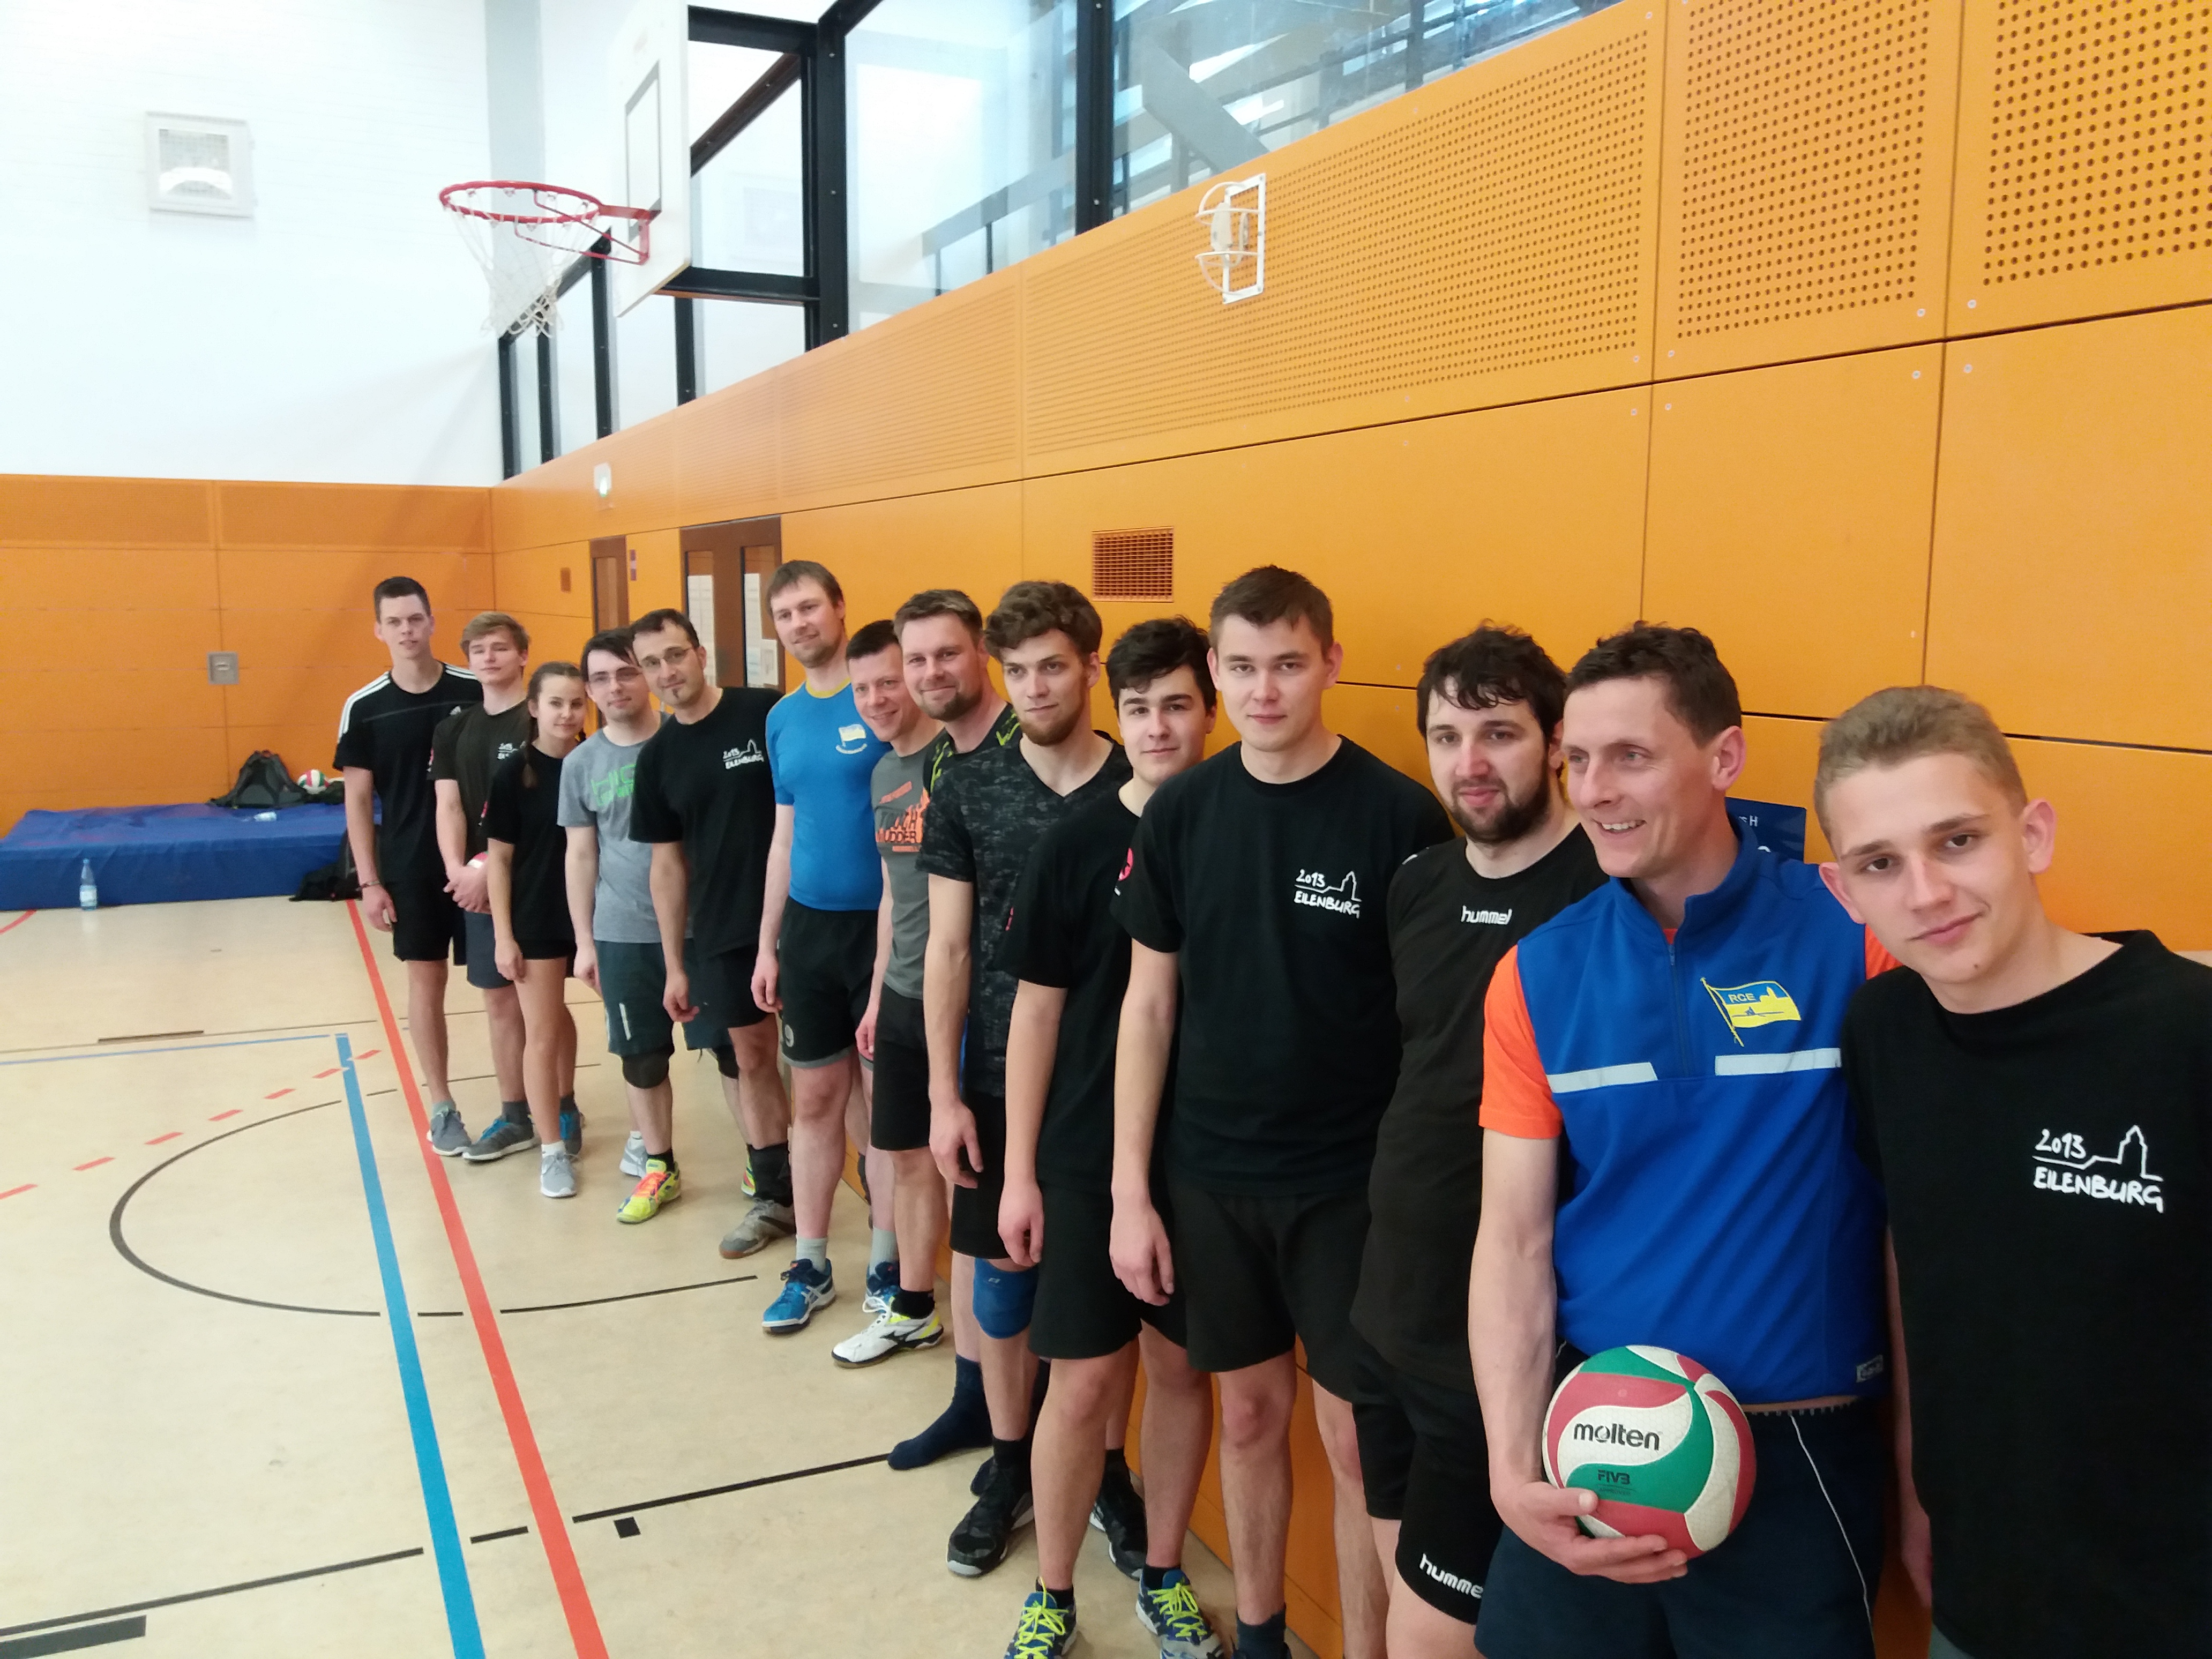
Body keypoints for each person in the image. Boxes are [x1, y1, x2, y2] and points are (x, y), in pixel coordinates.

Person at [1467, 623, 1893, 1659]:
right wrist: (1511, 1467)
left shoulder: (1856, 935)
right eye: (1576, 760)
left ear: (1723, 756)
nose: (1594, 790)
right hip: (1593, 1437)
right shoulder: (1535, 974)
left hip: (1800, 1449)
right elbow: (1512, 1241)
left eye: (1630, 756)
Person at [1817, 686, 2212, 1659]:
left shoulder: (2186, 1033)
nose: (1925, 893)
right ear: (1844, 892)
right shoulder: (1882, 1032)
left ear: (2031, 835)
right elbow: (1915, 1252)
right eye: (1880, 863)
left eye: (1957, 841)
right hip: (1979, 1595)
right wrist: (1916, 1480)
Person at [1112, 566, 1453, 1659]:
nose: (1265, 691)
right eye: (1244, 668)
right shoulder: (1182, 813)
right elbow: (1148, 1006)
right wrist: (1129, 1192)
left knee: (1357, 1444)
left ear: (1330, 665)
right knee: (1250, 1414)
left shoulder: (1399, 815)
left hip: (1351, 1189)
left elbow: (1427, 1020)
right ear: (1216, 672)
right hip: (1210, 1177)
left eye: (1289, 665)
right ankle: (1261, 1634)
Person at [1349, 626, 1605, 1658]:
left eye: (1497, 732)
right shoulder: (1417, 884)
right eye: (1446, 736)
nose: (1468, 762)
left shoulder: (1604, 898)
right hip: (1388, 1311)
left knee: (1432, 1636)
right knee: (1397, 1593)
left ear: (1553, 741)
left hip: (1495, 1345)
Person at [995, 618, 1225, 1659]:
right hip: (1087, 1159)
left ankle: (1163, 1573)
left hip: (1207, 1161)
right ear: (1116, 715)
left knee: (1179, 1374)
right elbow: (1034, 1014)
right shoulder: (1075, 844)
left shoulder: (1237, 833)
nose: (1159, 726)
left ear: (1209, 709)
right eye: (1139, 708)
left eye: (1177, 705)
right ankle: (1052, 1594)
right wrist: (1019, 1174)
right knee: (1083, 1383)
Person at [918, 579, 1133, 1578]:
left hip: (1120, 1087)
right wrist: (943, 1093)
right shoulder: (968, 788)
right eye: (1018, 671)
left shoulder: (1141, 784)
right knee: (1003, 1290)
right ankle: (1011, 1464)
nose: (1036, 686)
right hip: (1001, 1075)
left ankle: (1108, 1470)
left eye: (1053, 666)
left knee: (1113, 1294)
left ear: (1091, 667)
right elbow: (949, 948)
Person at [848, 589, 1020, 1469]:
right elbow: (903, 897)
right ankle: (966, 1390)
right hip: (919, 999)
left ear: (981, 651)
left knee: (985, 1220)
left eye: (942, 655)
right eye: (913, 661)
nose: (923, 676)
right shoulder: (921, 764)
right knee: (937, 1187)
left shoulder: (1018, 752)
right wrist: (883, 993)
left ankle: (1013, 1426)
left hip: (996, 1023)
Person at [751, 561, 894, 1335]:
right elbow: (785, 835)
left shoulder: (879, 698)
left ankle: (886, 1264)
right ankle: (811, 1264)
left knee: (880, 1108)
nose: (799, 624)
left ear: (840, 608)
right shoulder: (782, 718)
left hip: (883, 932)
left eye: (810, 607)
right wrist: (768, 945)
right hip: (808, 933)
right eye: (785, 614)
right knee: (813, 1102)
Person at [627, 607, 796, 1258]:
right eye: (652, 664)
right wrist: (676, 963)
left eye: (675, 655)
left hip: (806, 917)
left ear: (700, 653)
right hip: (725, 932)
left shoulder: (765, 712)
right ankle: (776, 1197)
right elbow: (667, 867)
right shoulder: (658, 759)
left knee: (831, 1065)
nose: (667, 671)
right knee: (752, 1060)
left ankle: (877, 1197)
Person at [561, 629, 741, 1224]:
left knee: (733, 1049)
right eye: (601, 678)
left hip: (704, 927)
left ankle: (762, 1161)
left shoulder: (683, 740)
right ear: (590, 690)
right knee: (641, 1057)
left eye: (626, 673)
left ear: (646, 676)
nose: (615, 687)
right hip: (624, 933)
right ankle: (659, 1166)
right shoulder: (581, 764)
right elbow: (581, 853)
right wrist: (584, 941)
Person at [833, 618, 948, 1365]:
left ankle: (986, 1346)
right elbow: (890, 894)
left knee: (956, 1166)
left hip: (957, 997)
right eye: (863, 688)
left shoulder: (957, 761)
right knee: (903, 1155)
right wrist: (877, 997)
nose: (876, 699)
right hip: (902, 990)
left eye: (889, 681)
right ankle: (913, 1307)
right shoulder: (882, 773)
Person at [334, 577, 480, 1150]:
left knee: (507, 984)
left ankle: (532, 1104)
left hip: (480, 865)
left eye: (415, 619)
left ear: (432, 622)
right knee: (426, 980)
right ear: (379, 630)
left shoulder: (473, 689)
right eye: (394, 622)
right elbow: (357, 801)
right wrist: (369, 881)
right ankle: (442, 1105)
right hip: (411, 867)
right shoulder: (365, 707)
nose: (407, 630)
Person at [432, 611, 579, 1164]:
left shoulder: (544, 717)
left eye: (499, 647)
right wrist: (458, 870)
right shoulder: (454, 728)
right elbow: (449, 805)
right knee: (500, 999)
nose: (489, 658)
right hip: (479, 883)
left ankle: (562, 1105)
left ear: (522, 655)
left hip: (539, 884)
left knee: (547, 1003)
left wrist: (481, 868)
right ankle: (516, 1114)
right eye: (478, 650)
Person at [485, 663, 588, 1199]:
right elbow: (499, 862)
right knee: (541, 1032)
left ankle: (643, 1141)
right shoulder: (514, 774)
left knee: (634, 1030)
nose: (567, 714)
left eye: (576, 703)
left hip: (596, 918)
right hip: (537, 918)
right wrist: (504, 935)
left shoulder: (596, 762)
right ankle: (551, 1150)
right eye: (556, 703)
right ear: (534, 708)